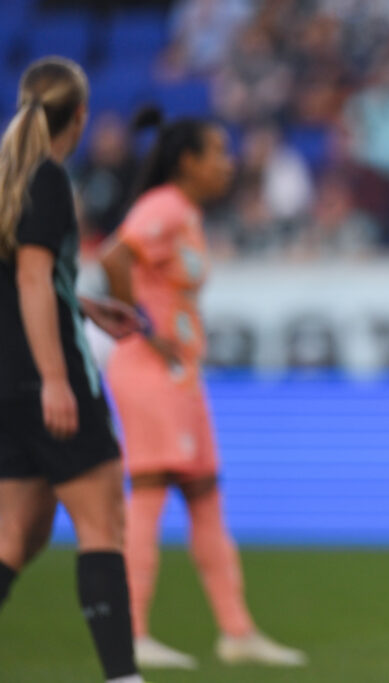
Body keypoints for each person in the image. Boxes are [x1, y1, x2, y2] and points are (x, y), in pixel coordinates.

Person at [99, 108, 307, 670]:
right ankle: (132, 631)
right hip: (149, 371)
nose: (228, 163)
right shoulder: (162, 208)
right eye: (218, 152)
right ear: (187, 161)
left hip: (179, 376)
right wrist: (143, 324)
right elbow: (114, 256)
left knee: (205, 495)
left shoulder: (183, 212)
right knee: (147, 489)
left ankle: (236, 632)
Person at [0, 56, 145, 683]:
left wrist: (80, 304)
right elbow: (32, 275)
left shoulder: (8, 176)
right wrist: (57, 378)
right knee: (103, 521)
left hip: (7, 382)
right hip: (47, 379)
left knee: (16, 536)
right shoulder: (49, 179)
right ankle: (122, 677)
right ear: (80, 116)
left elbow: (23, 277)